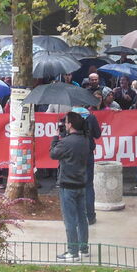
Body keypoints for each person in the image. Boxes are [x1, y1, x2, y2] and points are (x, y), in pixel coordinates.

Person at [50, 110, 90, 262]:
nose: (64, 124)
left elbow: (53, 154)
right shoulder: (85, 139)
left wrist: (55, 138)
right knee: (82, 217)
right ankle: (83, 248)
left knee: (70, 220)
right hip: (81, 182)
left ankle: (72, 251)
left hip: (68, 184)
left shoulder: (66, 142)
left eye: (66, 122)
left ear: (70, 124)